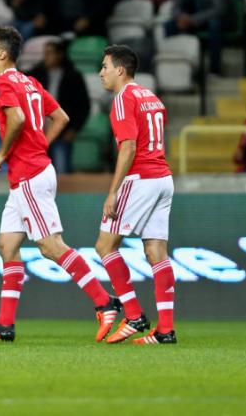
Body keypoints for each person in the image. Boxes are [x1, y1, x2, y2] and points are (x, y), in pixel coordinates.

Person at [0, 27, 119, 343]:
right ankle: (4, 325)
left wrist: (2, 152)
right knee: (6, 246)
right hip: (32, 172)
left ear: (2, 54)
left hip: (28, 175)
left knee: (51, 245)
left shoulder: (0, 82)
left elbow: (18, 118)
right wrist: (41, 146)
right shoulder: (31, 81)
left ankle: (104, 302)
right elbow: (61, 117)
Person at [94, 45, 177, 344]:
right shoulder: (152, 97)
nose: (101, 72)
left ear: (120, 69)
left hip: (141, 178)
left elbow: (128, 147)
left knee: (104, 245)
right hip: (164, 179)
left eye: (104, 66)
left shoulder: (122, 99)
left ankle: (134, 314)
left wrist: (113, 191)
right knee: (156, 253)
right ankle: (165, 330)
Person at [28, 40, 90, 172]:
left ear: (60, 55)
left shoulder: (73, 77)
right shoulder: (37, 74)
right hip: (38, 133)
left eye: (50, 53)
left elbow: (83, 107)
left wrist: (73, 130)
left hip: (62, 133)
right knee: (37, 173)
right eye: (45, 53)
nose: (46, 56)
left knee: (61, 173)